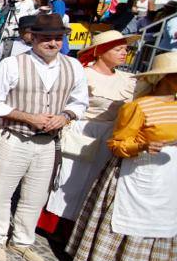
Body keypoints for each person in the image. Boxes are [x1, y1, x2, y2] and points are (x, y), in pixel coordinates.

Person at [66, 52, 177, 261]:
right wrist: (141, 146)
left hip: (167, 177)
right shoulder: (137, 107)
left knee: (161, 224)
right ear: (166, 78)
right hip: (137, 171)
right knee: (124, 219)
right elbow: (117, 143)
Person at [0, 13, 89, 261]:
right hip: (14, 136)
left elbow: (80, 101)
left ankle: (22, 241)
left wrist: (65, 116)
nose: (53, 43)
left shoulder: (73, 66)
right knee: (2, 192)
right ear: (33, 38)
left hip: (48, 140)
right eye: (47, 39)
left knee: (35, 195)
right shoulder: (12, 64)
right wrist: (27, 116)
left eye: (57, 39)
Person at [43, 31, 139, 227]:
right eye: (118, 49)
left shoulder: (129, 79)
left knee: (92, 179)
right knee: (70, 176)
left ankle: (78, 224)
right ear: (101, 52)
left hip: (108, 133)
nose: (124, 53)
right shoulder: (84, 74)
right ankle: (54, 222)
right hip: (81, 129)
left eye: (125, 49)